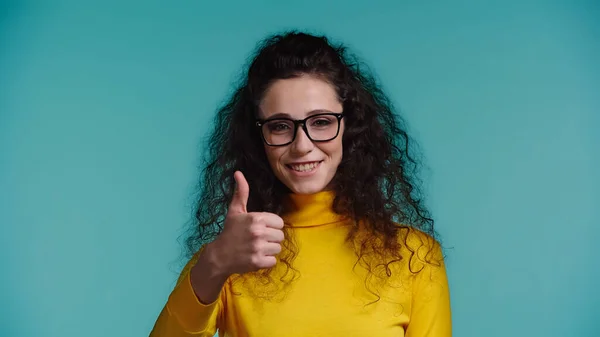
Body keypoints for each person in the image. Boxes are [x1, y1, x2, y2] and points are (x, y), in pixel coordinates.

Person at [150, 31, 451, 337]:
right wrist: (213, 263)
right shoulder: (234, 253)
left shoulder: (414, 256)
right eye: (280, 126)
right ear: (258, 139)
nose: (302, 145)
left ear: (350, 126)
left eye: (321, 121)